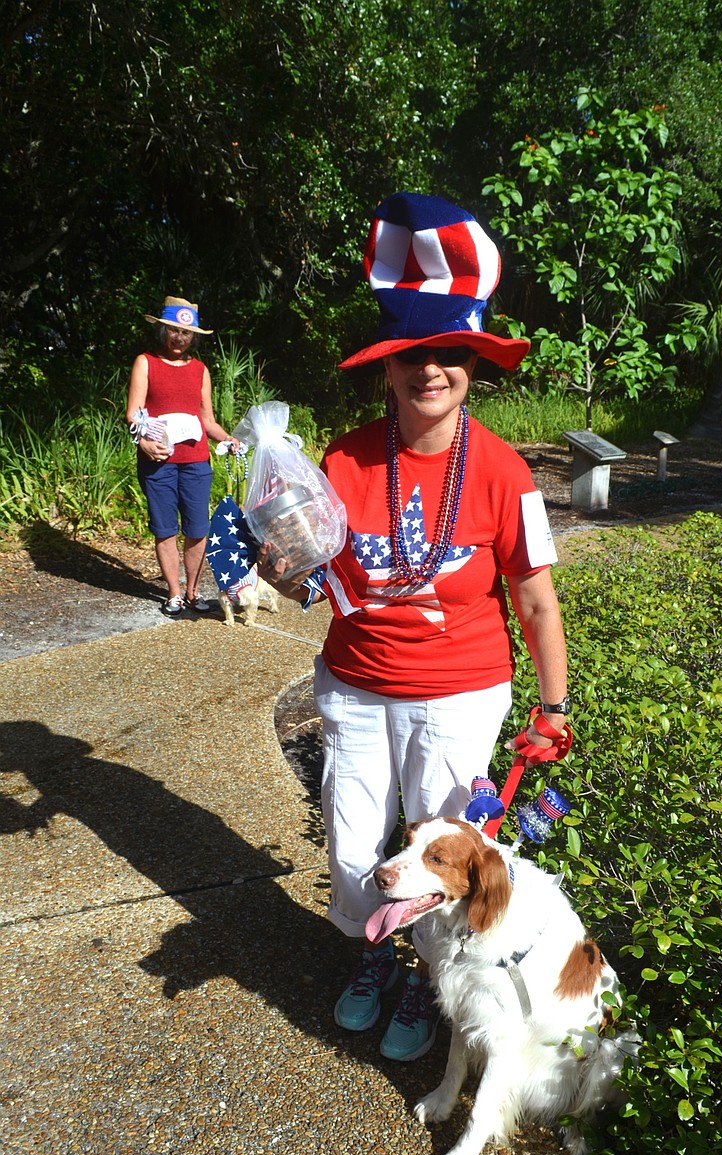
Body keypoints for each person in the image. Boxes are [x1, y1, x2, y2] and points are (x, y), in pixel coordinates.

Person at [261, 194, 569, 1061]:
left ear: (472, 363)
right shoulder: (343, 460)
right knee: (357, 837)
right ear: (386, 369)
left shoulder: (505, 472)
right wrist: (280, 566)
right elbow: (306, 583)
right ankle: (372, 954)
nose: (429, 371)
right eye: (411, 357)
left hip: (462, 693)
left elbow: (537, 600)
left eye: (448, 354)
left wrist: (555, 708)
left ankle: (423, 981)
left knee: (441, 853)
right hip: (356, 689)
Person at [126, 296, 240, 615]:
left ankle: (193, 592)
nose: (180, 338)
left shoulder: (200, 370)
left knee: (197, 529)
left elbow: (207, 420)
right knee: (165, 529)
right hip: (157, 463)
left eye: (186, 333)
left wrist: (229, 439)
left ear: (193, 337)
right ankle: (173, 593)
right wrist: (143, 443)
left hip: (196, 464)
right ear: (163, 330)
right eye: (174, 330)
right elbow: (134, 414)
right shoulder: (145, 362)